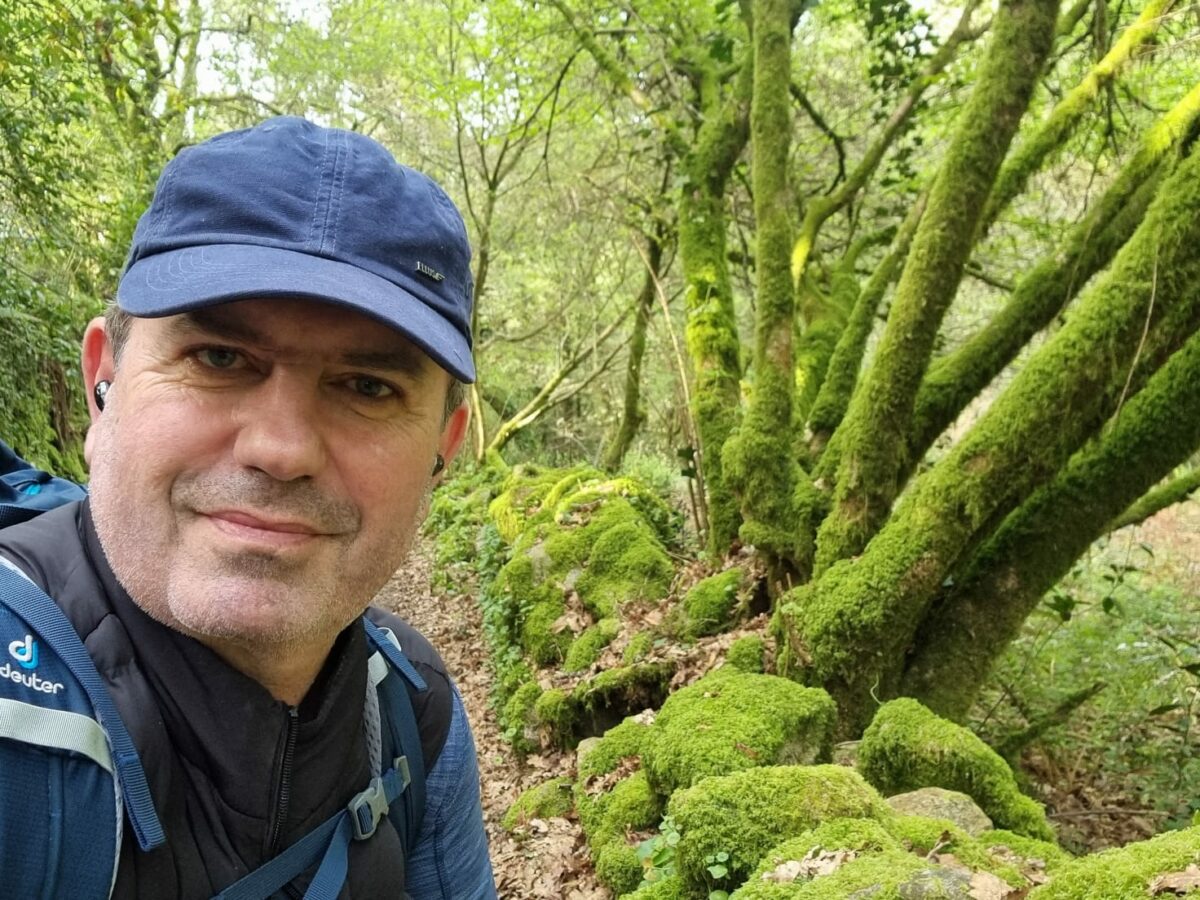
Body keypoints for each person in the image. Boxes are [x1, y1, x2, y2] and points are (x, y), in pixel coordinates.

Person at [0, 116, 497, 898]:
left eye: (368, 387)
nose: (281, 448)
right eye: (219, 358)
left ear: (445, 447)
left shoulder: (414, 709)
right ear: (104, 383)